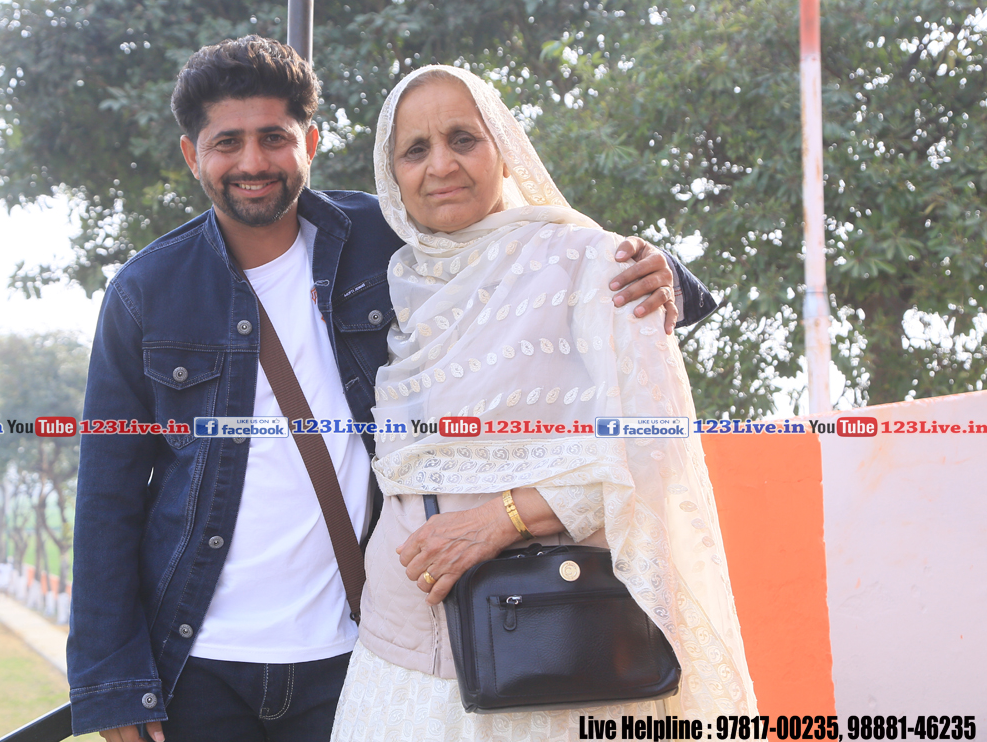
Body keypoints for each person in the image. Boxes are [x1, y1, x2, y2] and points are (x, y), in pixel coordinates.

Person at [67, 36, 715, 742]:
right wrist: (109, 682)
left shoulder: (387, 237)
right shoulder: (145, 292)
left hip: (353, 649)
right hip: (200, 661)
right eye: (227, 143)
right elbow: (108, 492)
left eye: (274, 138)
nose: (252, 162)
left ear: (310, 142)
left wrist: (663, 272)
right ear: (193, 155)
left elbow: (534, 243)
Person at [328, 66, 755, 740]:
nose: (441, 166)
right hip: (401, 658)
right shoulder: (399, 282)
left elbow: (652, 448)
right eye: (414, 150)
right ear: (391, 175)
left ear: (505, 147)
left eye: (463, 138)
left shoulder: (594, 264)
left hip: (557, 645)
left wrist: (499, 519)